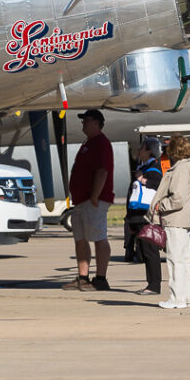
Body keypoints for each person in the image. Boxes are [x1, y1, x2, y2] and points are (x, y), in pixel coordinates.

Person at [62, 109, 115, 291]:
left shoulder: (101, 143)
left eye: (86, 120)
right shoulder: (89, 142)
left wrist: (94, 196)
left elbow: (102, 171)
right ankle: (83, 277)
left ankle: (101, 278)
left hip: (93, 200)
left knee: (98, 237)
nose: (83, 123)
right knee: (81, 239)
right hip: (82, 200)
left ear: (96, 123)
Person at [149, 136, 190, 310]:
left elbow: (177, 197)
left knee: (175, 260)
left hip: (175, 219)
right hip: (184, 219)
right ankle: (188, 297)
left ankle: (177, 298)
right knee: (185, 260)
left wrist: (160, 206)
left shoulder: (179, 170)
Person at [124, 137, 163, 295]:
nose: (139, 151)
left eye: (142, 148)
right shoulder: (143, 166)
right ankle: (151, 283)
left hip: (146, 216)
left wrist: (142, 179)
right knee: (142, 251)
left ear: (149, 150)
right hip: (136, 216)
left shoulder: (153, 168)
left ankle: (154, 285)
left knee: (150, 251)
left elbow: (157, 185)